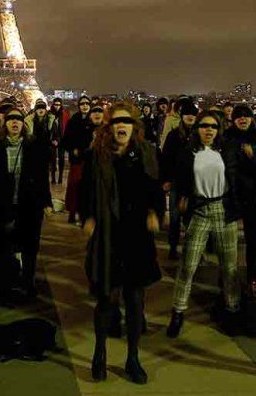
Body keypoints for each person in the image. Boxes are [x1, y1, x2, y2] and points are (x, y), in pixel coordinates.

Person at [82, 103, 162, 384]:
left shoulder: (146, 154)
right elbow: (86, 190)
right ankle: (99, 352)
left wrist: (155, 213)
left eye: (127, 121)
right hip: (108, 235)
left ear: (134, 125)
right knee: (106, 299)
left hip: (136, 235)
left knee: (135, 300)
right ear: (109, 126)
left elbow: (154, 189)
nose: (122, 126)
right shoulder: (97, 155)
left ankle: (133, 356)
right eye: (116, 121)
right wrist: (89, 217)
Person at [168, 111, 241, 338]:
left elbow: (237, 179)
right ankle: (178, 312)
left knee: (229, 267)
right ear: (196, 128)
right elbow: (180, 179)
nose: (209, 130)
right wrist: (182, 199)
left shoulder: (226, 150)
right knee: (188, 265)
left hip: (223, 211)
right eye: (204, 126)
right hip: (200, 211)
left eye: (213, 126)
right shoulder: (188, 153)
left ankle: (232, 309)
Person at [0, 106, 53, 299]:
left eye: (18, 119)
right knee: (3, 246)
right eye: (11, 119)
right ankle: (4, 283)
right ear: (5, 123)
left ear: (23, 123)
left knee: (30, 247)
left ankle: (28, 282)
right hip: (2, 205)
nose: (15, 122)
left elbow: (41, 177)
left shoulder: (34, 145)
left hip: (28, 205)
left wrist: (46, 201)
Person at [225, 103, 256, 299]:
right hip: (230, 194)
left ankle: (251, 278)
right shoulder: (227, 138)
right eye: (239, 117)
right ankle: (227, 279)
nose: (243, 119)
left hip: (252, 195)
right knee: (227, 242)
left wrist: (252, 156)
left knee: (253, 239)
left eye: (246, 116)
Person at [159, 100, 198, 260]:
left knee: (192, 219)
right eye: (187, 114)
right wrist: (166, 179)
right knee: (175, 218)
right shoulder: (173, 135)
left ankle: (192, 248)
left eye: (193, 115)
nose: (190, 117)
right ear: (181, 116)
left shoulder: (198, 134)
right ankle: (173, 247)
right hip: (176, 181)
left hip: (195, 183)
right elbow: (166, 159)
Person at [62, 97, 94, 223]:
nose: (85, 106)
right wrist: (73, 149)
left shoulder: (94, 121)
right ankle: (73, 212)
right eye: (82, 104)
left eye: (87, 103)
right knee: (75, 186)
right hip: (77, 160)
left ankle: (83, 214)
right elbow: (66, 140)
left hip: (90, 160)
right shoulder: (74, 120)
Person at [48, 98, 69, 184]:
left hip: (62, 140)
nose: (57, 107)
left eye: (58, 105)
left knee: (61, 159)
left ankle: (60, 177)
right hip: (52, 140)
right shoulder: (49, 114)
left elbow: (67, 127)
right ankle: (53, 177)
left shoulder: (64, 115)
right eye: (55, 105)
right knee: (52, 159)